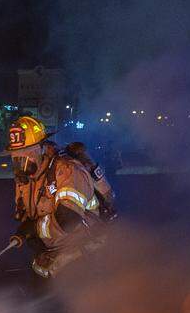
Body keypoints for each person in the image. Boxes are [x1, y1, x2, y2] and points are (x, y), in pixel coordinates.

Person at [7, 115, 116, 279]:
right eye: (15, 156)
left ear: (42, 149)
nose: (20, 162)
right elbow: (27, 214)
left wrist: (34, 229)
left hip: (85, 249)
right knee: (42, 283)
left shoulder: (67, 171)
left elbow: (68, 219)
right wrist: (29, 232)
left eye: (26, 154)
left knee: (82, 291)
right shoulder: (27, 179)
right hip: (56, 251)